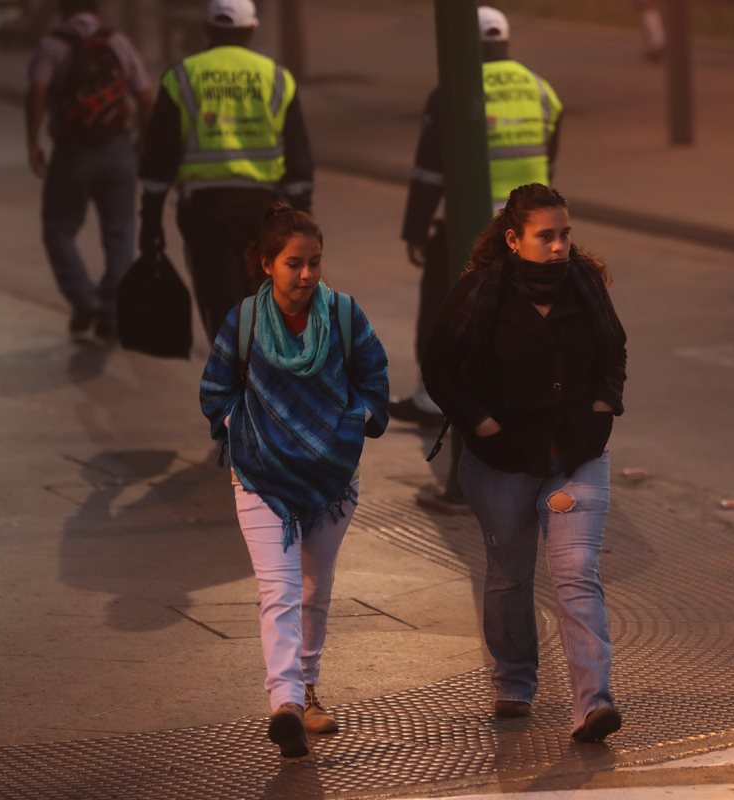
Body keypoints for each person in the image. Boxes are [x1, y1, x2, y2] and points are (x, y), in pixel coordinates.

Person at [422, 184, 627, 743]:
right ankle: (514, 681)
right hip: (502, 459)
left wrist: (603, 407)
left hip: (576, 455)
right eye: (546, 237)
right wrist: (481, 423)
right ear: (514, 240)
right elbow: (438, 367)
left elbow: (613, 350)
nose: (560, 246)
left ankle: (593, 703)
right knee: (510, 577)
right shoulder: (479, 293)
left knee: (575, 574)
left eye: (565, 234)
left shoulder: (585, 287)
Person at [199, 203, 390, 758]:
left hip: (332, 478)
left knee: (313, 589)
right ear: (266, 265)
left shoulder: (346, 315)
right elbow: (215, 389)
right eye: (293, 264)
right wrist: (245, 433)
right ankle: (284, 701)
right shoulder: (245, 320)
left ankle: (306, 689)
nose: (306, 275)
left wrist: (351, 426)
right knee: (278, 591)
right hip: (260, 476)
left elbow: (375, 377)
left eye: (314, 263)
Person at [393, 5, 563, 427]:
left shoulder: (453, 86)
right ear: (505, 40)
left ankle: (432, 399)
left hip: (474, 226)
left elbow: (430, 170)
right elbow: (548, 158)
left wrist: (417, 229)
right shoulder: (541, 89)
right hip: (532, 230)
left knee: (444, 306)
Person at [139, 0, 315, 345]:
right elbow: (298, 159)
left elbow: (159, 159)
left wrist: (150, 221)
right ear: (252, 29)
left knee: (221, 306)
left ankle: (236, 380)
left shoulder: (182, 76)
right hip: (266, 211)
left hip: (205, 212)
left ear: (207, 29)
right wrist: (304, 217)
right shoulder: (277, 77)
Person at [25, 0, 153, 340]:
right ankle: (111, 308)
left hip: (72, 152)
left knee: (58, 228)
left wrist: (33, 142)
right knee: (120, 233)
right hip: (118, 148)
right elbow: (145, 96)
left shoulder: (51, 46)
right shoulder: (118, 42)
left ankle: (84, 299)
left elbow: (36, 92)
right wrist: (142, 139)